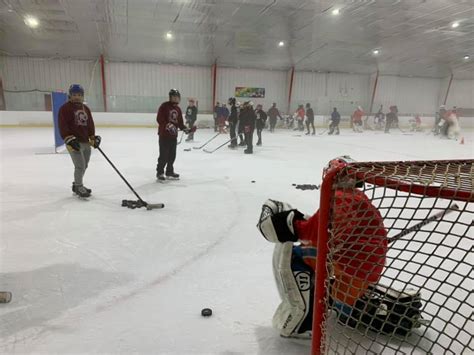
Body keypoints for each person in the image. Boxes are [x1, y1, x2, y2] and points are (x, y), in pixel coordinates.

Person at [256, 156, 389, 338]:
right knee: (316, 260)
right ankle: (342, 301)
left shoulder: (342, 199)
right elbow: (328, 228)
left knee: (294, 256)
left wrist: (292, 225)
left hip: (352, 269)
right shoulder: (355, 197)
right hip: (360, 267)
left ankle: (302, 321)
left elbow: (319, 233)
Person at [59, 84, 101, 198]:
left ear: (82, 96)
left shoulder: (85, 108)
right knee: (80, 166)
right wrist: (69, 138)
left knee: (85, 165)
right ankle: (78, 186)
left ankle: (76, 184)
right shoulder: (65, 108)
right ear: (70, 96)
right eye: (74, 95)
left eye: (79, 95)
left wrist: (93, 137)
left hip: (85, 141)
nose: (77, 97)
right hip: (73, 142)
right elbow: (63, 125)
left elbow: (90, 124)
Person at [156, 89, 189, 181]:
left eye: (177, 97)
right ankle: (160, 172)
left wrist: (185, 128)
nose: (176, 98)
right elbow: (159, 119)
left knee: (172, 156)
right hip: (164, 136)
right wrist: (168, 125)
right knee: (163, 155)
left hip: (173, 137)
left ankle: (169, 171)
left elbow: (180, 123)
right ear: (170, 97)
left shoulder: (178, 109)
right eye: (174, 96)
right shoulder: (164, 106)